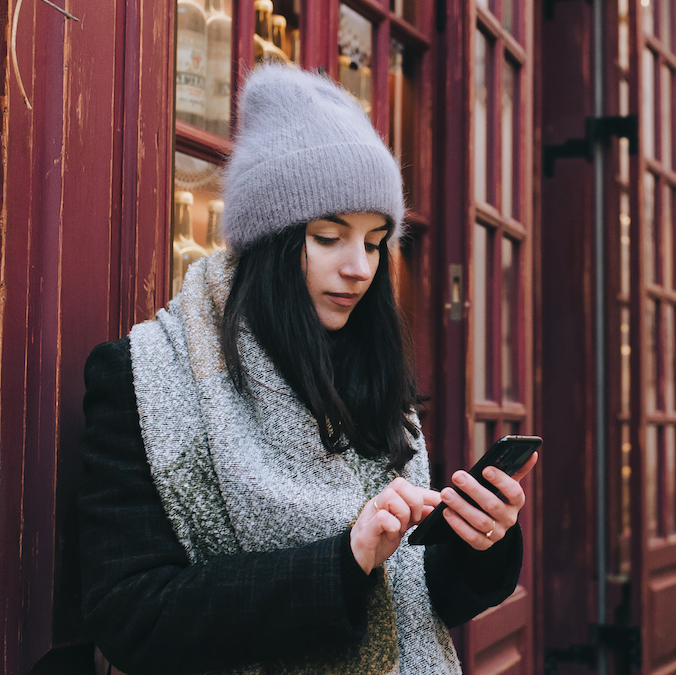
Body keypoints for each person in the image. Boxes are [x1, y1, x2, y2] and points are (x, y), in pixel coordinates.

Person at [77, 64, 535, 675]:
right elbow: (134, 614)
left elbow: (418, 601)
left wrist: (484, 542)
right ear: (269, 241)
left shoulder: (370, 375)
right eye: (329, 236)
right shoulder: (144, 378)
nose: (360, 268)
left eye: (374, 242)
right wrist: (345, 560)